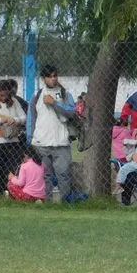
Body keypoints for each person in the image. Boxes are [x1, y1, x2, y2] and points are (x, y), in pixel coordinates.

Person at [30, 64, 86, 203]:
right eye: (49, 76)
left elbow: (72, 112)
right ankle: (46, 201)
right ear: (43, 78)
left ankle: (65, 201)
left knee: (63, 174)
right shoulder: (36, 95)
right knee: (44, 174)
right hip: (41, 142)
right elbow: (32, 118)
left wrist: (54, 103)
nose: (53, 78)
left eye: (55, 75)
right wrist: (30, 138)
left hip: (61, 142)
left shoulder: (66, 94)